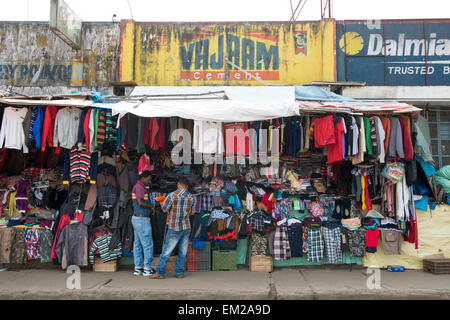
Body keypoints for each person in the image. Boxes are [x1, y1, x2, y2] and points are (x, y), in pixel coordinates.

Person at [150, 177, 195, 279]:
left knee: (167, 251)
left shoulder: (172, 195)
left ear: (178, 185)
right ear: (186, 186)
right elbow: (192, 213)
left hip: (174, 227)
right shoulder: (191, 197)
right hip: (186, 227)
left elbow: (165, 210)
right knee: (183, 252)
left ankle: (160, 272)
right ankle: (179, 273)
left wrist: (162, 203)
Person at [131, 170, 156, 276]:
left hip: (136, 219)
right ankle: (147, 269)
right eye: (149, 179)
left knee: (137, 245)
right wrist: (151, 206)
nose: (149, 182)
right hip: (142, 220)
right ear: (144, 178)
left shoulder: (138, 187)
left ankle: (138, 268)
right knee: (148, 245)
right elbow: (140, 203)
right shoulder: (140, 187)